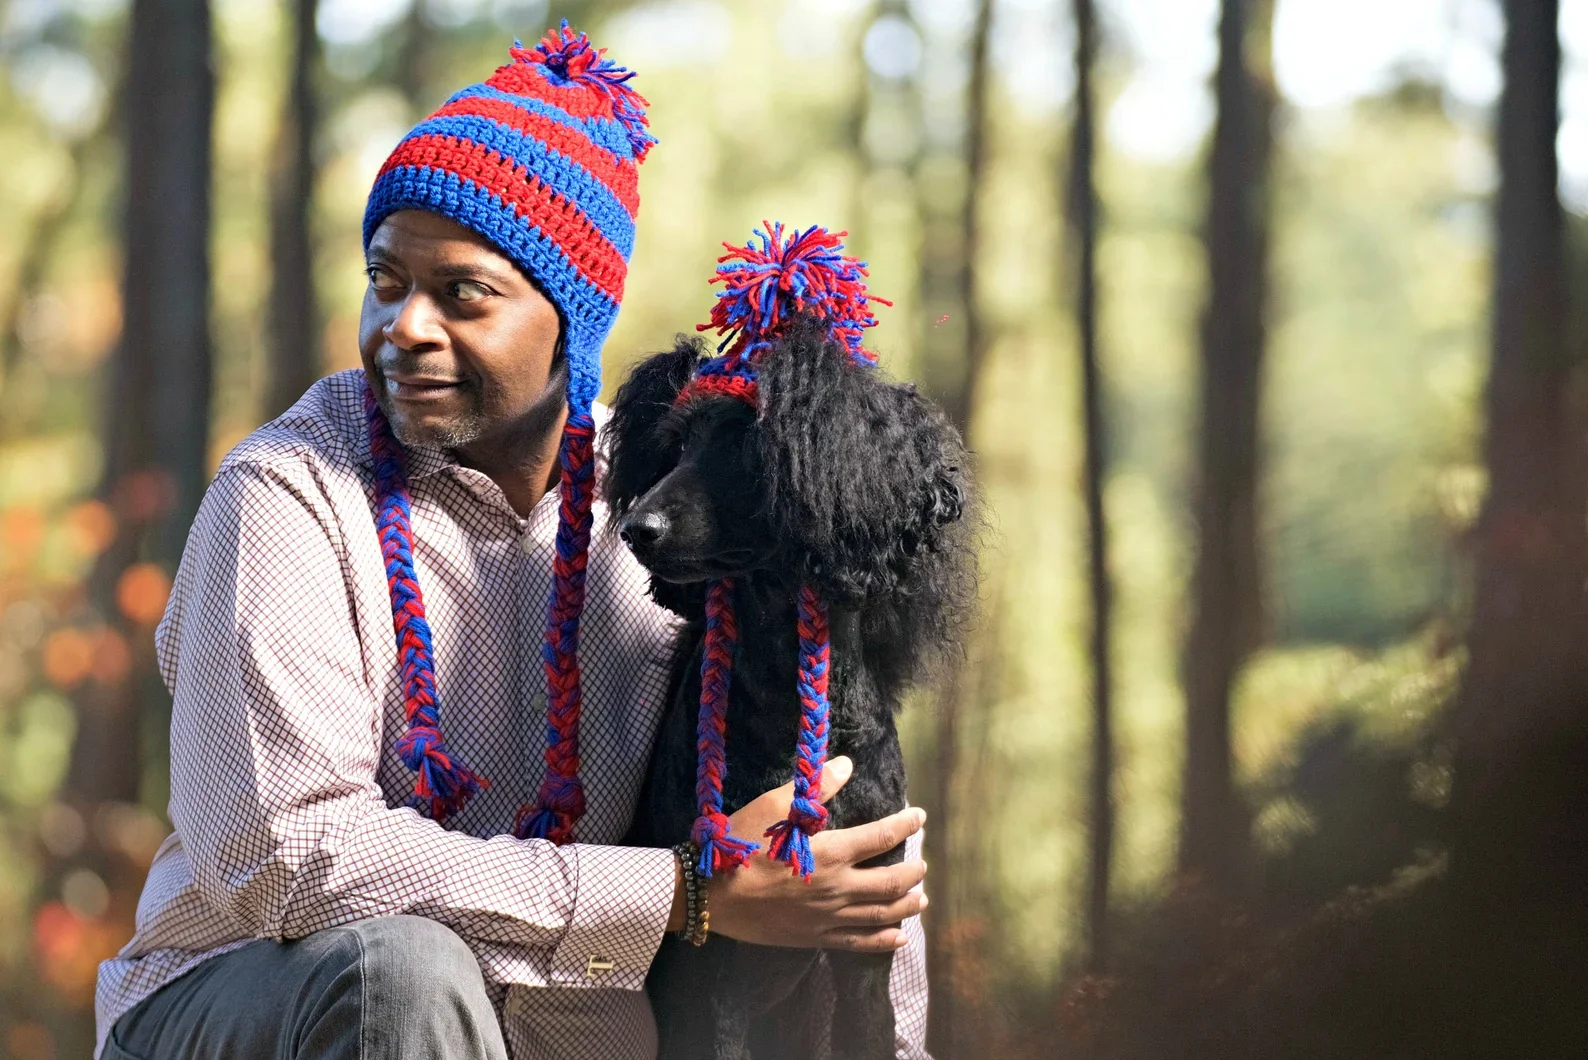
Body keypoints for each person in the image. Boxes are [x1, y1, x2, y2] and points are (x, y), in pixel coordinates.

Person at [93, 23, 931, 1060]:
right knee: (405, 972)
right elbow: (286, 856)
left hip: (566, 1031)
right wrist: (683, 893)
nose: (402, 325)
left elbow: (824, 797)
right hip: (245, 1007)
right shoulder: (285, 492)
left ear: (570, 323)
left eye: (462, 293)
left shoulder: (666, 510)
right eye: (386, 279)